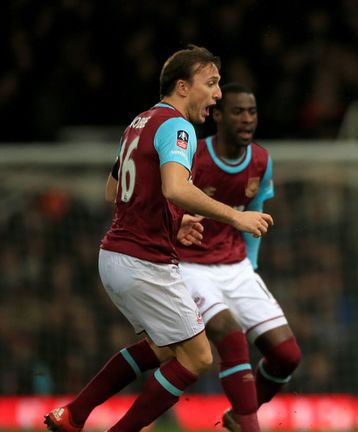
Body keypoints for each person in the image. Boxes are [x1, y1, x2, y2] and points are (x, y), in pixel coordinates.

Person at [44, 45, 274, 432]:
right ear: (183, 87)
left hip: (115, 256)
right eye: (211, 83)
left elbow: (112, 190)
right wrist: (237, 216)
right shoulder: (177, 126)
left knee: (165, 347)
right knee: (199, 357)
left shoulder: (139, 121)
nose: (217, 94)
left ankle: (75, 414)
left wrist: (173, 219)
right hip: (142, 261)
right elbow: (175, 187)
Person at [176, 83, 301, 432]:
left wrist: (251, 266)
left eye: (252, 112)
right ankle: (249, 425)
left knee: (287, 355)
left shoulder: (261, 160)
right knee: (231, 339)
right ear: (216, 115)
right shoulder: (193, 157)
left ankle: (239, 416)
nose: (247, 119)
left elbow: (256, 213)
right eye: (237, 112)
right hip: (190, 266)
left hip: (236, 267)